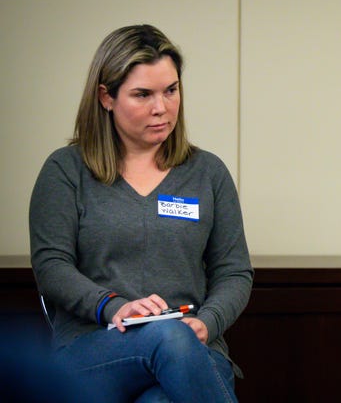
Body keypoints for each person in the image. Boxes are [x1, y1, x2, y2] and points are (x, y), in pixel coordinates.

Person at [30, 24, 253, 403]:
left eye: (171, 90)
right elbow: (51, 265)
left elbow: (234, 272)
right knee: (167, 336)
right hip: (95, 349)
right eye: (142, 94)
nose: (161, 108)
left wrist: (206, 323)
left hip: (193, 351)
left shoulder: (208, 173)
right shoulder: (66, 170)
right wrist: (113, 306)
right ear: (106, 97)